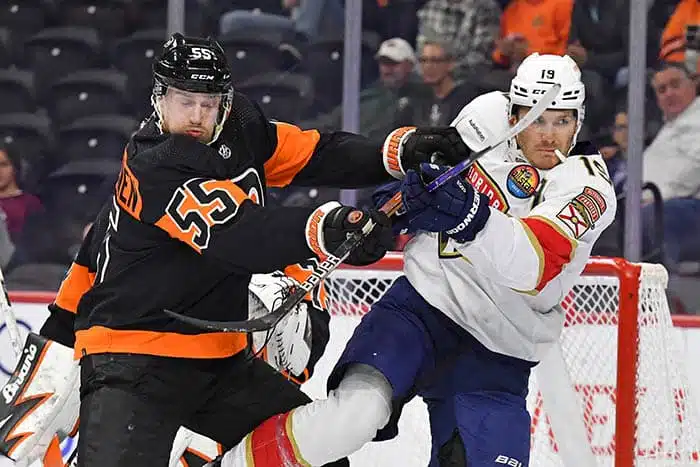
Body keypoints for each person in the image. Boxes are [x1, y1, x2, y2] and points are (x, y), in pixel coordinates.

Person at [0, 33, 470, 467]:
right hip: (135, 362)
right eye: (185, 101)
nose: (198, 116)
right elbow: (239, 236)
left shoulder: (240, 125)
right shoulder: (154, 165)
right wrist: (329, 226)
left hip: (221, 363)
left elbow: (314, 153)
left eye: (209, 103)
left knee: (320, 457)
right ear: (159, 99)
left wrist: (400, 150)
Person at [210, 53, 617, 466]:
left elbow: (532, 263)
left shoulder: (588, 190)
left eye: (561, 121)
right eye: (535, 119)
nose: (547, 135)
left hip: (498, 352)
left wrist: (468, 214)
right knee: (353, 417)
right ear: (514, 112)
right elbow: (435, 173)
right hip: (420, 310)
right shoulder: (486, 116)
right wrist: (399, 204)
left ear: (578, 120)